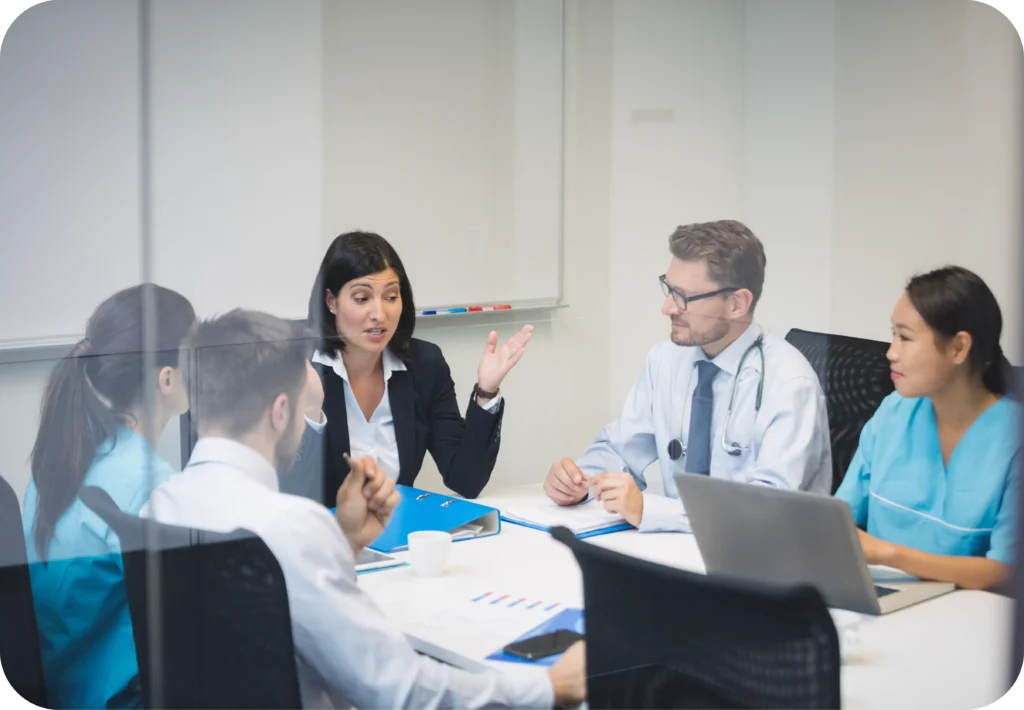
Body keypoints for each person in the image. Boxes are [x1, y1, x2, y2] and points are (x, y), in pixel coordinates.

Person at [144, 310, 586, 710]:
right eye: (303, 407)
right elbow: (398, 688)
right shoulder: (290, 527)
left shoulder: (159, 506)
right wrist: (547, 688)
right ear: (280, 413)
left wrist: (346, 540)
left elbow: (263, 615)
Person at [543, 220, 831, 531]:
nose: (667, 307)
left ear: (737, 304)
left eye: (684, 297)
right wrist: (579, 481)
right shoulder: (666, 359)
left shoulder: (790, 385)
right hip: (676, 547)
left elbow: (769, 508)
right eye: (669, 290)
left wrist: (650, 510)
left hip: (760, 554)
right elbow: (620, 448)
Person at [22, 284, 196, 710]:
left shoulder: (57, 461)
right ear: (167, 379)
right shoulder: (154, 485)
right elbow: (191, 625)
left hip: (61, 691)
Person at [281, 231, 533, 505]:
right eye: (362, 298)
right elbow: (288, 500)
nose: (379, 314)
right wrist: (310, 411)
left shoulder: (425, 365)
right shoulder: (301, 369)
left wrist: (486, 391)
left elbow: (466, 480)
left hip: (400, 528)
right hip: (328, 530)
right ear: (331, 301)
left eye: (391, 297)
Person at [836, 266, 1019, 591]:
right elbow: (840, 518)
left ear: (958, 348)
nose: (891, 353)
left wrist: (890, 554)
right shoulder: (893, 412)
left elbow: (1005, 571)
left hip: (967, 610)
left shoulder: (1013, 440)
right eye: (893, 335)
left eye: (905, 338)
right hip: (879, 597)